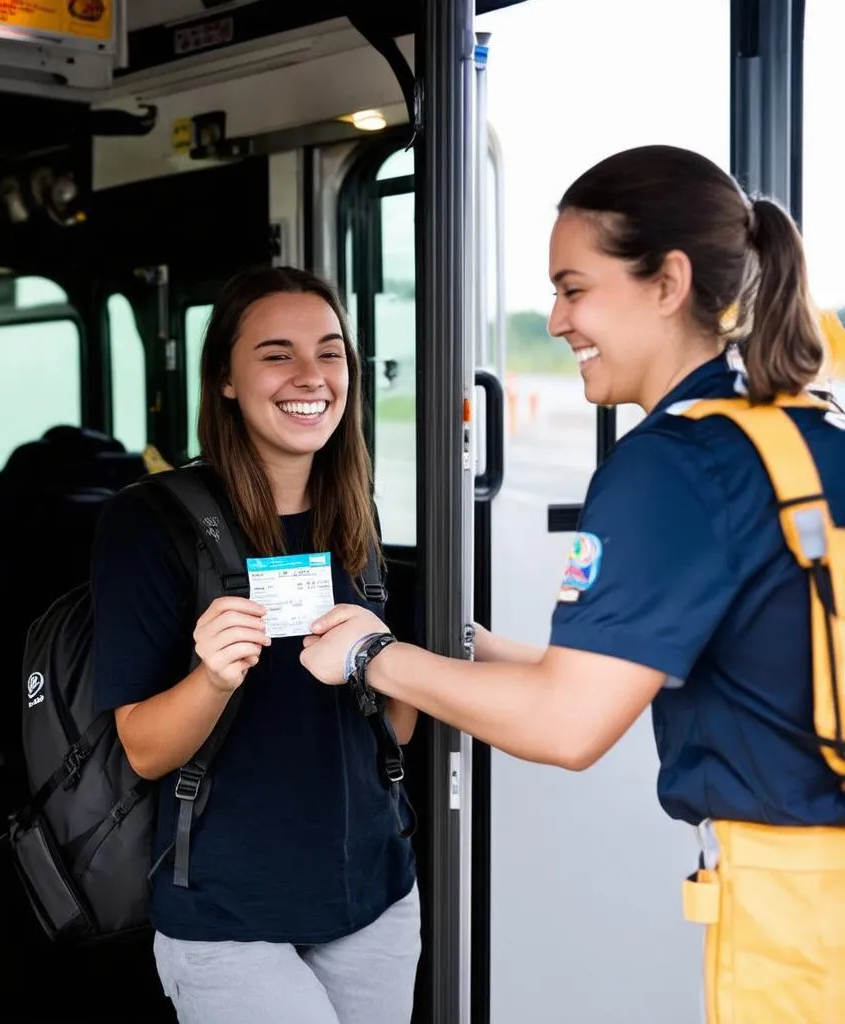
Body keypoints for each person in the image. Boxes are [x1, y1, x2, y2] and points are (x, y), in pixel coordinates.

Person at [301, 145, 845, 1022]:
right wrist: (472, 650)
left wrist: (372, 656)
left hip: (799, 911)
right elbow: (707, 664)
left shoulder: (673, 466)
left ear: (668, 282)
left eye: (574, 287)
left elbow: (568, 723)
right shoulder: (806, 430)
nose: (555, 320)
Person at [90, 265, 420, 1024]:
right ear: (228, 381)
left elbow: (389, 733)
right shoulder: (150, 522)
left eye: (331, 352)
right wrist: (211, 676)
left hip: (373, 895)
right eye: (277, 354)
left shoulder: (355, 513)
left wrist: (394, 662)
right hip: (227, 913)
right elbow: (142, 749)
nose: (311, 376)